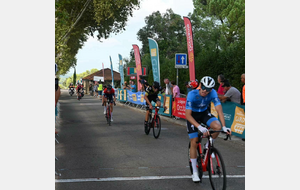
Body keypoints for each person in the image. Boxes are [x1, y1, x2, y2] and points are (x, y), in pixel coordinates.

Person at [185, 76, 231, 183]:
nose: (206, 91)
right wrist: (200, 127)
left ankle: (208, 146)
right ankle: (195, 171)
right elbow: (187, 115)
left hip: (204, 113)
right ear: (200, 85)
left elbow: (219, 109)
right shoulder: (192, 94)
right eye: (204, 87)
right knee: (194, 141)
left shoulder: (212, 93)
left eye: (209, 89)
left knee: (217, 127)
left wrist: (224, 127)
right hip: (192, 116)